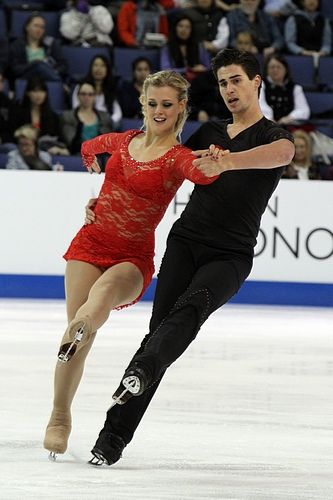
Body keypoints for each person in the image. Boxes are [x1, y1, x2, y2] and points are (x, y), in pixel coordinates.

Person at [88, 47, 295, 466]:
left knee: (190, 311)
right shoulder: (206, 133)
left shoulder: (274, 137)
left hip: (231, 253)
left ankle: (142, 370)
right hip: (185, 242)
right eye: (222, 83)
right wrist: (107, 202)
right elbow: (157, 163)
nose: (229, 89)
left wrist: (227, 163)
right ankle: (112, 438)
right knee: (160, 332)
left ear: (256, 82)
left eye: (236, 80)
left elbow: (283, 156)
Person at [43, 70, 221, 460]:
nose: (159, 110)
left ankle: (85, 323)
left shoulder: (178, 158)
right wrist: (94, 182)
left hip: (131, 257)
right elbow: (90, 146)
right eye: (153, 103)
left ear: (181, 109)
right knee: (77, 340)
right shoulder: (122, 142)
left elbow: (202, 175)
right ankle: (60, 417)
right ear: (143, 103)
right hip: (89, 243)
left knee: (101, 298)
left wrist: (217, 160)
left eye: (167, 105)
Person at [9, 12, 67, 82]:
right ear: (27, 27)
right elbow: (15, 69)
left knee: (41, 66)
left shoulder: (51, 43)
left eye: (42, 27)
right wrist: (34, 64)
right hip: (27, 79)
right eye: (36, 26)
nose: (39, 30)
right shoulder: (17, 45)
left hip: (48, 78)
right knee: (38, 65)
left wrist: (52, 72)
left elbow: (63, 65)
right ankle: (59, 83)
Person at [60, 81, 113, 155]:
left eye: (90, 94)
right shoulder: (68, 116)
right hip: (77, 155)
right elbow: (70, 143)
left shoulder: (105, 117)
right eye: (83, 94)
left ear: (94, 97)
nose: (86, 97)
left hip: (100, 158)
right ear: (78, 96)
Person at [71, 54, 122, 129]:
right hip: (84, 122)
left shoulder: (110, 89)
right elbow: (75, 107)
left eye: (102, 66)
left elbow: (117, 113)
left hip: (105, 124)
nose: (98, 69)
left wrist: (108, 121)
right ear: (91, 68)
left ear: (107, 69)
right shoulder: (81, 87)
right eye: (95, 65)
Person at [259, 52, 310, 125]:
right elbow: (260, 105)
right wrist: (270, 119)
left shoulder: (295, 88)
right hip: (266, 125)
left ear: (285, 69)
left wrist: (289, 117)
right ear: (267, 69)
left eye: (278, 67)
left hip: (289, 125)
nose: (275, 70)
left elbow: (304, 110)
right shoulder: (261, 85)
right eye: (272, 67)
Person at [160, 14, 211, 79]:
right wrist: (188, 70)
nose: (184, 29)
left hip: (198, 82)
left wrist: (202, 69)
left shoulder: (199, 46)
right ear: (175, 28)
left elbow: (208, 68)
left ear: (191, 30)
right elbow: (165, 71)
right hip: (176, 82)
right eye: (180, 26)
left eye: (187, 27)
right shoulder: (166, 48)